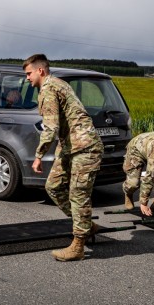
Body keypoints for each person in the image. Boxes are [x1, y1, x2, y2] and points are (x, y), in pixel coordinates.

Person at [23, 53, 104, 262]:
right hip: (70, 147)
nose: (27, 78)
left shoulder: (50, 88)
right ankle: (86, 225)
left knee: (78, 194)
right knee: (54, 186)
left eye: (29, 73)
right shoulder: (55, 85)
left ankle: (78, 246)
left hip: (85, 147)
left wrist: (39, 155)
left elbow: (51, 127)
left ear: (40, 70)